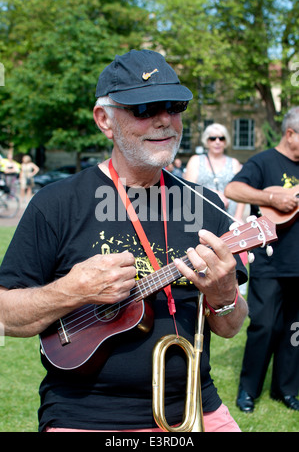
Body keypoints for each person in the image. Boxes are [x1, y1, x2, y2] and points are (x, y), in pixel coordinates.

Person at [0, 49, 248, 432]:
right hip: (85, 412)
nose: (164, 120)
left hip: (194, 407)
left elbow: (231, 327)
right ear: (105, 120)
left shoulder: (207, 205)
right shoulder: (57, 203)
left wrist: (225, 295)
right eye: (144, 109)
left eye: (174, 105)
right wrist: (70, 291)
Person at [225, 106, 299, 413]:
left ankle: (287, 389)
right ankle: (248, 390)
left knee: (295, 329)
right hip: (270, 261)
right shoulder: (264, 161)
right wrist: (272, 198)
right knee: (264, 326)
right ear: (291, 133)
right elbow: (233, 188)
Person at [184, 123, 245, 222]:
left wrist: (238, 217)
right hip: (203, 218)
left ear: (226, 141)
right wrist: (212, 194)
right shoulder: (196, 161)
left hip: (229, 219)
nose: (217, 142)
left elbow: (241, 193)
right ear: (206, 141)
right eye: (212, 138)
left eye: (221, 138)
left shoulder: (234, 163)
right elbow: (188, 190)